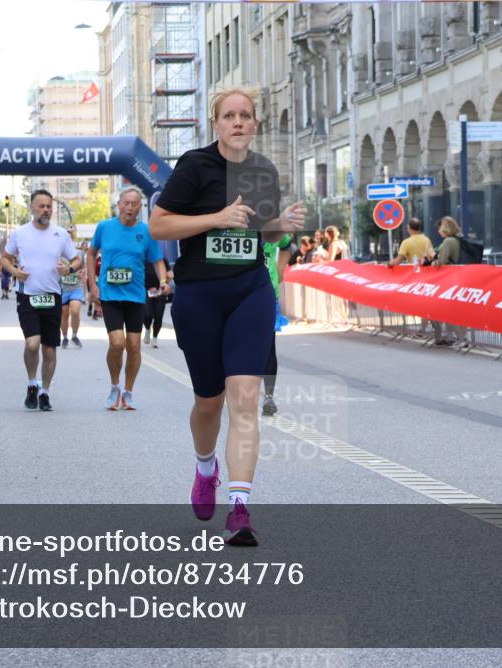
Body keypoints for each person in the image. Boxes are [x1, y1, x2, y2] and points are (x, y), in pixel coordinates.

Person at [150, 87, 306, 546]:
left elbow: (262, 233)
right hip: (199, 294)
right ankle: (205, 468)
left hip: (249, 291)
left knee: (244, 396)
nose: (238, 122)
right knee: (209, 401)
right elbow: (159, 225)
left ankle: (239, 507)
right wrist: (215, 217)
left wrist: (281, 224)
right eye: (229, 116)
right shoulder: (194, 166)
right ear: (215, 124)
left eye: (246, 116)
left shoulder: (263, 170)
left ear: (255, 124)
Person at [87, 186, 168, 410]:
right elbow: (91, 253)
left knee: (133, 346)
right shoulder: (105, 227)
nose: (130, 207)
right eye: (126, 203)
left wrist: (163, 282)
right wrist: (93, 284)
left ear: (139, 207)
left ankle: (128, 391)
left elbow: (158, 260)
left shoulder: (146, 232)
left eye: (134, 204)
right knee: (117, 343)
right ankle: (114, 387)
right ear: (119, 204)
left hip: (135, 296)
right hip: (110, 294)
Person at [0, 189, 80, 412]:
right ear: (32, 208)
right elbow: (4, 259)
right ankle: (31, 383)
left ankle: (44, 392)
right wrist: (15, 272)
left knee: (49, 350)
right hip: (28, 296)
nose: (46, 210)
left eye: (49, 206)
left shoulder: (61, 234)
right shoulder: (20, 233)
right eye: (41, 206)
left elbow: (76, 259)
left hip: (52, 296)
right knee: (32, 343)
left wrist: (69, 268)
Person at [261, 233, 292, 417]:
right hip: (238, 295)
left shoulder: (271, 227)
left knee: (268, 348)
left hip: (267, 294)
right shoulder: (235, 222)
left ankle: (269, 396)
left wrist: (280, 268)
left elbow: (288, 244)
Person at [432, 216, 463, 346]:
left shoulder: (448, 241)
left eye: (440, 228)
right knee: (451, 309)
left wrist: (432, 262)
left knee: (445, 310)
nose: (439, 231)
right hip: (457, 279)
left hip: (447, 280)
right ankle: (451, 337)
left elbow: (441, 262)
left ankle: (460, 338)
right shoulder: (458, 239)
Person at [60, 228, 86, 348]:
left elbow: (84, 267)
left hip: (76, 287)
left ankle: (74, 335)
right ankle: (65, 337)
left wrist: (82, 272)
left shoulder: (79, 254)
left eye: (70, 238)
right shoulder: (58, 253)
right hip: (62, 289)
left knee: (75, 311)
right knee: (64, 315)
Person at [143, 258, 172, 348]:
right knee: (147, 314)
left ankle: (155, 338)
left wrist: (169, 278)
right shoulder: (142, 259)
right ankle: (147, 329)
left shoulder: (162, 260)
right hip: (146, 290)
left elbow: (170, 274)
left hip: (160, 291)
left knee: (158, 315)